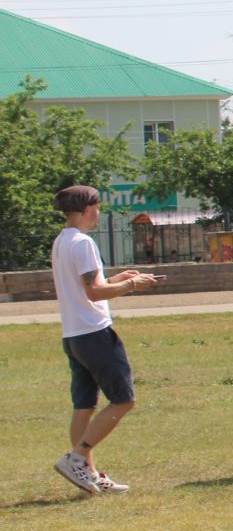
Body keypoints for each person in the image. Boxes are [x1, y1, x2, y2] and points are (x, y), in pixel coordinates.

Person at [49, 184, 158, 495]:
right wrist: (133, 285)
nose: (99, 213)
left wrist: (116, 280)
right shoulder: (83, 243)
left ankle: (89, 473)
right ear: (86, 210)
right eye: (97, 208)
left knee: (83, 404)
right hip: (94, 333)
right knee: (124, 399)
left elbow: (93, 286)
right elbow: (94, 292)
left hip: (73, 334)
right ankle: (78, 457)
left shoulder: (62, 241)